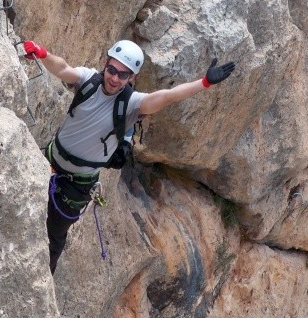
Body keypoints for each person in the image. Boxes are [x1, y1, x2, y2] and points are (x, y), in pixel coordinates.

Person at [22, 39, 235, 274]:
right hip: (49, 160)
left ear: (131, 78)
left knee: (53, 236)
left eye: (123, 75)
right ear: (106, 64)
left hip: (75, 185)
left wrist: (203, 83)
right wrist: (43, 54)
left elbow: (168, 96)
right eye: (112, 70)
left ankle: (39, 279)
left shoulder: (132, 104)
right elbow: (63, 69)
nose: (114, 78)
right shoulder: (89, 80)